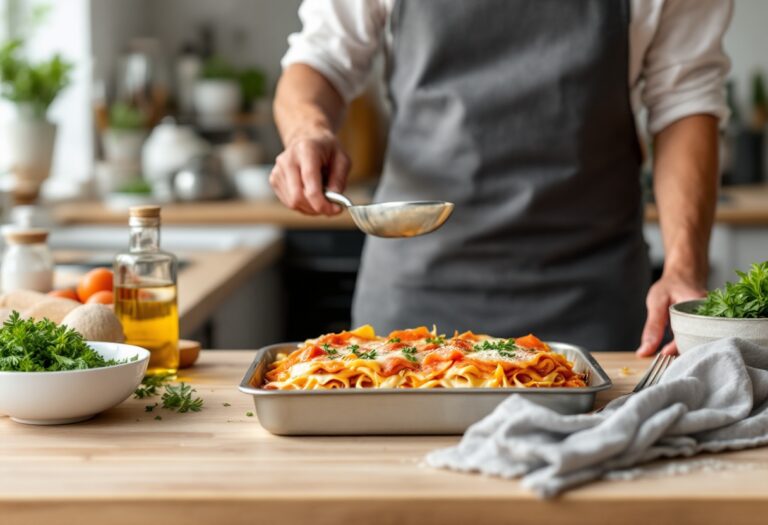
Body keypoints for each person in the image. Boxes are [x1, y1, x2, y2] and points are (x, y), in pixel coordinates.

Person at [270, 0, 732, 354]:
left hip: (591, 297)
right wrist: (307, 131)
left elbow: (685, 101)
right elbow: (320, 61)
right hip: (414, 293)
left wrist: (684, 266)